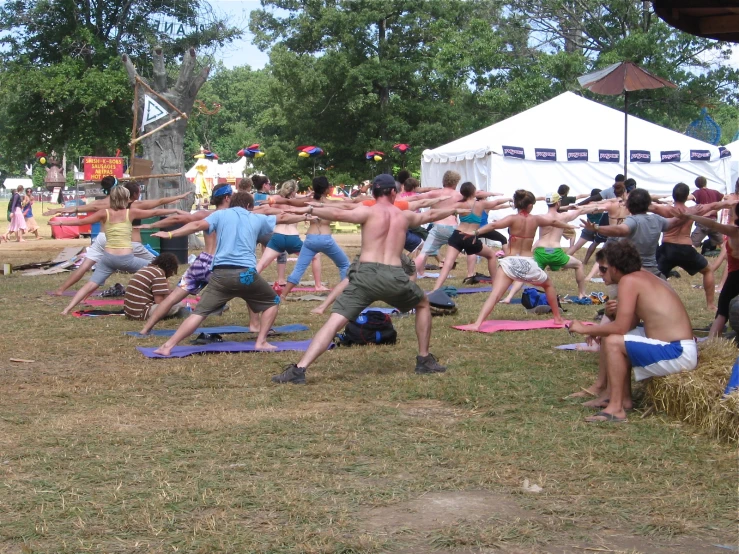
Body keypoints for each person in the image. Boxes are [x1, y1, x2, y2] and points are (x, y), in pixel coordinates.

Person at [270, 174, 466, 385]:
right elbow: (431, 215)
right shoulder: (404, 216)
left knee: (335, 321)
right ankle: (424, 359)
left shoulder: (367, 211)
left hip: (365, 276)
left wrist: (308, 209)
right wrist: (455, 210)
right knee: (423, 304)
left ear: (373, 193)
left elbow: (337, 212)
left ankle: (300, 369)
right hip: (394, 276)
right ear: (393, 192)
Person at [567, 240, 697, 423]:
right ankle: (620, 398)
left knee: (613, 341)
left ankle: (616, 409)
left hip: (678, 352)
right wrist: (610, 319)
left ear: (616, 267)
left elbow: (620, 328)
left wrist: (585, 328)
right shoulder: (642, 277)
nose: (601, 274)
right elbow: (626, 325)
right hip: (677, 348)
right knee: (613, 338)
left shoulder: (629, 281)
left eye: (603, 269)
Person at [150, 192, 289, 355]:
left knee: (199, 313)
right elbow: (284, 218)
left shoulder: (219, 215)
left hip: (220, 275)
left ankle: (167, 346)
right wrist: (309, 212)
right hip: (246, 275)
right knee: (272, 301)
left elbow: (195, 225)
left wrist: (170, 234)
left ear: (231, 203)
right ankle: (261, 341)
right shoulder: (255, 217)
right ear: (250, 206)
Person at [51, 186, 183, 315]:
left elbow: (82, 222)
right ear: (126, 199)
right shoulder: (130, 212)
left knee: (90, 284)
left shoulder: (105, 212)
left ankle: (66, 310)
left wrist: (61, 223)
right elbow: (154, 212)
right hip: (126, 259)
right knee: (158, 270)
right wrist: (175, 211)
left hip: (108, 259)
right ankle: (166, 298)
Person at [467, 190, 574, 330]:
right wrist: (569, 226)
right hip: (527, 262)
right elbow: (554, 221)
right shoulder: (535, 219)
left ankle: (477, 323)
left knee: (496, 294)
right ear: (530, 206)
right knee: (548, 285)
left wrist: (475, 232)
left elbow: (493, 225)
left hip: (510, 261)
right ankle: (557, 318)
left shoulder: (512, 218)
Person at [137, 183, 233, 335]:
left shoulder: (205, 215)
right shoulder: (235, 216)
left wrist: (152, 226)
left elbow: (176, 218)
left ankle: (145, 329)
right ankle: (254, 325)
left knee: (173, 297)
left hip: (202, 261)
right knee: (251, 290)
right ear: (227, 198)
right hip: (217, 265)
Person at [651, 183, 735, 311]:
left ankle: (654, 304)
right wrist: (733, 201)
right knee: (707, 270)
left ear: (674, 196)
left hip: (667, 248)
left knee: (653, 277)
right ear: (687, 197)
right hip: (685, 249)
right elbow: (716, 205)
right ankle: (710, 305)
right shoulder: (693, 210)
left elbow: (645, 205)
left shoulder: (667, 210)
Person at [501, 192, 592, 302]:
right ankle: (582, 293)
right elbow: (581, 210)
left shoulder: (540, 217)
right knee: (578, 265)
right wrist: (598, 207)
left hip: (541, 251)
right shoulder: (564, 216)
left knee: (523, 274)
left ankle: (509, 297)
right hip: (556, 252)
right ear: (558, 202)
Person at [581, 188, 681, 277]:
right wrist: (688, 215)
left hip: (631, 271)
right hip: (652, 271)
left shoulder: (633, 220)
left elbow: (621, 230)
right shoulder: (657, 219)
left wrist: (597, 228)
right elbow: (674, 222)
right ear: (648, 204)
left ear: (629, 205)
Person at [279, 176, 351, 298]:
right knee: (344, 265)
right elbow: (350, 205)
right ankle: (347, 294)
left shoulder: (308, 201)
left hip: (311, 238)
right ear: (327, 189)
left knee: (299, 269)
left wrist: (271, 201)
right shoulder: (331, 203)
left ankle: (283, 295)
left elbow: (288, 201)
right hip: (325, 238)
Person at [430, 182, 510, 290]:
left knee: (448, 264)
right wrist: (509, 199)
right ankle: (496, 285)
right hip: (470, 237)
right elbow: (496, 202)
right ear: (473, 192)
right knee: (491, 255)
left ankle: (435, 289)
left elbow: (443, 209)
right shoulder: (480, 204)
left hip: (457, 235)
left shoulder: (459, 204)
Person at [678, 203, 739, 338]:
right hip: (734, 275)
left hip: (735, 276)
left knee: (722, 310)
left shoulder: (733, 231)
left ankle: (712, 342)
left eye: (731, 214)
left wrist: (691, 216)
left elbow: (712, 224)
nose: (729, 215)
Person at [256, 180, 321, 288]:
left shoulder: (276, 199)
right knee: (316, 256)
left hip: (277, 237)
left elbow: (266, 207)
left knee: (262, 264)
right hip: (292, 238)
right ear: (293, 191)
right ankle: (318, 285)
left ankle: (246, 283)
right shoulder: (297, 203)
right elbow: (301, 200)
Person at [124, 253, 185, 320]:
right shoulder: (159, 273)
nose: (171, 275)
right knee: (178, 304)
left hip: (129, 312)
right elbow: (159, 301)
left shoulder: (147, 268)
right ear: (169, 268)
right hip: (141, 313)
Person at [691, 175, 724, 252]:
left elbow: (689, 197)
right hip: (713, 222)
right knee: (722, 243)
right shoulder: (715, 192)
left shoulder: (697, 192)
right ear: (706, 182)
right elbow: (725, 197)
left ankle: (686, 260)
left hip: (703, 222)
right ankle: (730, 259)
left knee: (692, 244)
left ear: (696, 185)